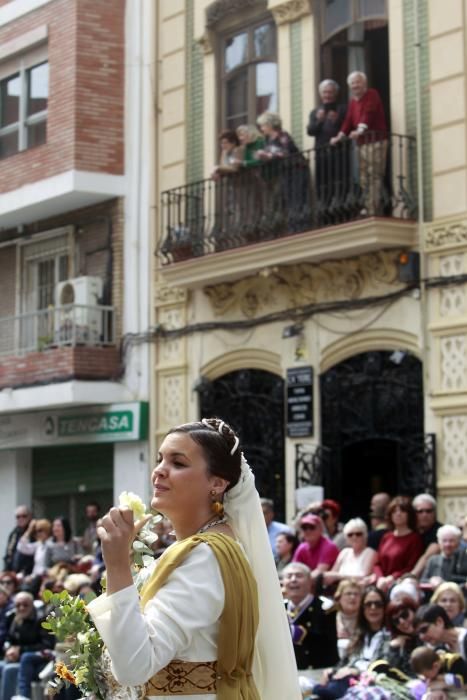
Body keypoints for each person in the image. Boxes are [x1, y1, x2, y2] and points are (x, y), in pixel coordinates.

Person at [87, 417, 301, 699]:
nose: (159, 471)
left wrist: (116, 564)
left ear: (217, 483)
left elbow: (134, 666)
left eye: (178, 463)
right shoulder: (210, 548)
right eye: (160, 459)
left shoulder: (205, 557)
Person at [312, 586, 390, 699]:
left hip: (369, 683)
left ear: (384, 608)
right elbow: (344, 661)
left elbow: (383, 666)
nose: (373, 608)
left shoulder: (388, 636)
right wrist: (332, 671)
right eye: (368, 604)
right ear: (363, 609)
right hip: (347, 679)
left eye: (378, 604)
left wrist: (356, 671)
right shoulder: (359, 635)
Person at [330, 71, 387, 216]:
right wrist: (340, 135)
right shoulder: (353, 101)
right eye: (353, 83)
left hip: (376, 141)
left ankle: (374, 207)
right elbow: (348, 120)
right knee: (363, 176)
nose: (355, 85)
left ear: (364, 83)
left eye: (358, 82)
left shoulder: (372, 94)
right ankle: (368, 205)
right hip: (362, 144)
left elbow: (369, 112)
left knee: (374, 174)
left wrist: (360, 130)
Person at [256, 110, 311, 233]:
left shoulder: (282, 135)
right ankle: (293, 226)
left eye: (263, 125)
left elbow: (286, 151)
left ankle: (302, 226)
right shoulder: (267, 141)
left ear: (270, 124)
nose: (262, 129)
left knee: (298, 197)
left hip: (296, 169)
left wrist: (269, 155)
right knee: (289, 198)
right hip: (285, 171)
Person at [283, 562, 338, 670]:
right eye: (289, 576)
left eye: (299, 576)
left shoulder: (325, 607)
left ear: (310, 582)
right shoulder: (279, 608)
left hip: (317, 671)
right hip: (286, 672)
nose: (293, 580)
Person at [0, 590, 54, 700]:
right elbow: (9, 640)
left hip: (38, 659)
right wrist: (8, 649)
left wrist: (21, 650)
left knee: (10, 669)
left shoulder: (41, 619)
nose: (21, 608)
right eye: (18, 605)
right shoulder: (15, 618)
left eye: (25, 605)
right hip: (19, 658)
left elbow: (47, 645)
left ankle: (23, 697)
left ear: (32, 604)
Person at [307, 79, 347, 223]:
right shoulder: (315, 111)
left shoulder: (342, 108)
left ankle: (341, 213)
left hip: (340, 153)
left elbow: (348, 127)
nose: (327, 95)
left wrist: (337, 120)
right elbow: (310, 131)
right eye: (325, 92)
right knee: (323, 184)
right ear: (320, 94)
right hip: (321, 154)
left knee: (339, 181)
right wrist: (318, 120)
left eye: (330, 92)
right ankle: (324, 215)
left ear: (335, 93)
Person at [372, 495, 424, 591]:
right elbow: (377, 563)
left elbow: (411, 566)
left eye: (402, 511)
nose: (398, 514)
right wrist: (380, 578)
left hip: (400, 584)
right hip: (381, 583)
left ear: (409, 514)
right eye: (394, 511)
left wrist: (392, 578)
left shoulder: (414, 539)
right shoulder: (386, 537)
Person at [323, 518, 377, 588]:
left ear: (365, 535)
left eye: (358, 534)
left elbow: (364, 577)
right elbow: (332, 573)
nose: (354, 537)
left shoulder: (370, 552)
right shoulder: (344, 552)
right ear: (346, 538)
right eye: (350, 535)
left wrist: (338, 576)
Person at [421, 525, 467, 590]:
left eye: (451, 541)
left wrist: (444, 584)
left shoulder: (464, 559)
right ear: (439, 542)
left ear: (458, 542)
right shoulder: (433, 560)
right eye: (444, 541)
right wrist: (431, 580)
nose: (447, 544)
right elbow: (422, 581)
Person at [385, 595, 420, 677]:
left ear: (414, 611)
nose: (402, 622)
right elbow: (392, 672)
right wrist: (394, 649)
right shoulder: (397, 642)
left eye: (404, 615)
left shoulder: (429, 635)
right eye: (396, 621)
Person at [412, 494, 444, 578]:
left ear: (434, 512)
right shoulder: (409, 530)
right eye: (420, 511)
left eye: (428, 511)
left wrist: (411, 576)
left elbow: (427, 556)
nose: (424, 514)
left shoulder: (441, 531)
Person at [334, 578, 362, 661]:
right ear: (339, 597)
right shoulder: (330, 619)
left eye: (356, 594)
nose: (353, 597)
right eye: (348, 594)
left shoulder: (366, 619)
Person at [3, 507, 34, 576]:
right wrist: (5, 571)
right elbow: (8, 554)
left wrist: (24, 572)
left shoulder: (34, 532)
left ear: (30, 516)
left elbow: (34, 556)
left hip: (28, 574)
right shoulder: (14, 533)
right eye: (18, 517)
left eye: (24, 516)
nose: (21, 518)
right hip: (13, 573)